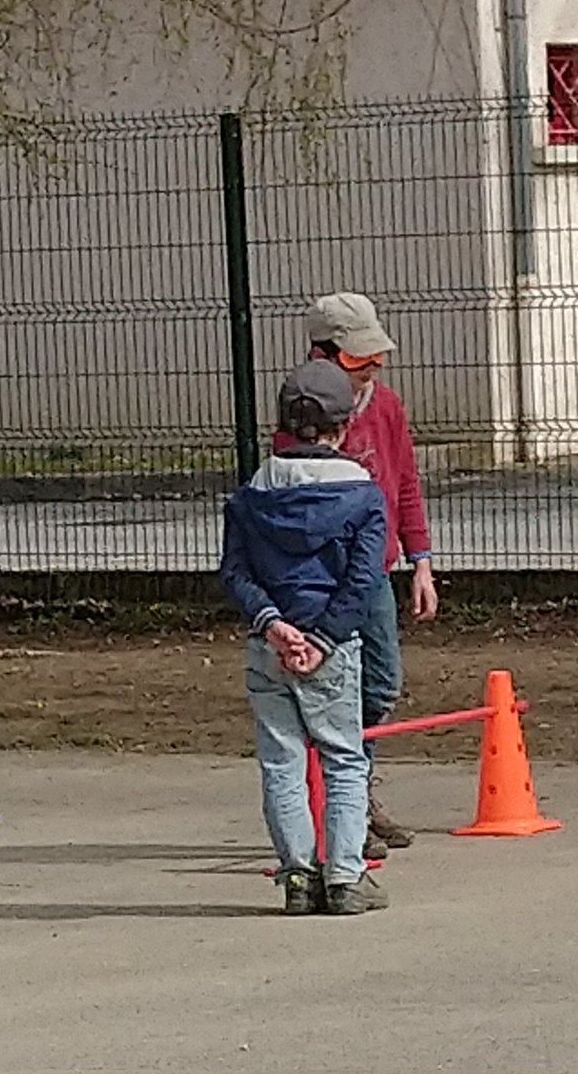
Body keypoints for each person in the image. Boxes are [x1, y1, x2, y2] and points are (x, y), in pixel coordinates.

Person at [220, 359, 389, 916]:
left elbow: (237, 574)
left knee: (281, 762)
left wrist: (273, 624)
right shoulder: (362, 496)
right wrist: (321, 636)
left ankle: (297, 877)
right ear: (345, 426)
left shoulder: (252, 493)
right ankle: (345, 876)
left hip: (267, 644)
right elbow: (363, 579)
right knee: (343, 758)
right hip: (333, 646)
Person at [273, 292, 438, 860]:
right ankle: (343, 804)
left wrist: (420, 560)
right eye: (356, 357)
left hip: (374, 575)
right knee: (330, 690)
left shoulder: (386, 407)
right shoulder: (301, 422)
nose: (372, 366)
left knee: (382, 682)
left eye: (374, 354)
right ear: (321, 354)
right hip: (320, 582)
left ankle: (357, 784)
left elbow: (406, 483)